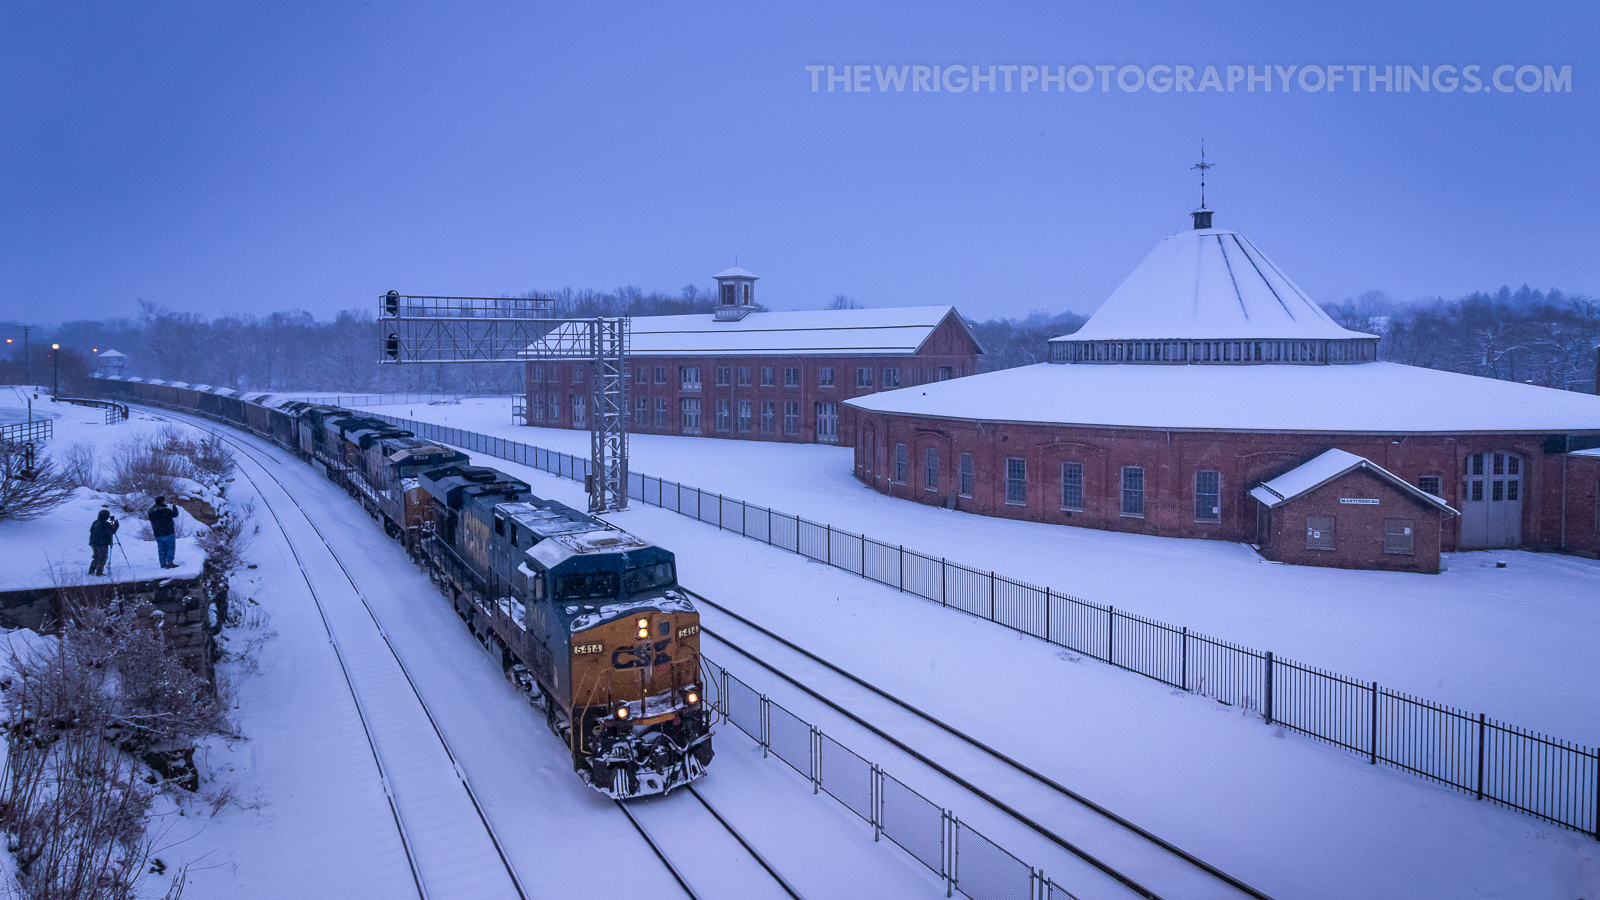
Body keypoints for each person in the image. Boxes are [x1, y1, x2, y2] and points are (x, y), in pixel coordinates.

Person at [148, 496, 180, 569]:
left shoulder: (151, 511)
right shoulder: (166, 511)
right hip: (168, 532)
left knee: (161, 548)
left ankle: (162, 563)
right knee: (170, 547)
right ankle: (169, 562)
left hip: (157, 533)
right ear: (162, 502)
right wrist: (174, 506)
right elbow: (175, 514)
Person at [88, 509, 118, 576]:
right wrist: (116, 525)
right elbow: (111, 531)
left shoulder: (95, 523)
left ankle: (91, 570)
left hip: (94, 543)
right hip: (102, 543)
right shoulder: (105, 524)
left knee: (96, 556)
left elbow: (91, 531)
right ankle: (99, 572)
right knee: (102, 557)